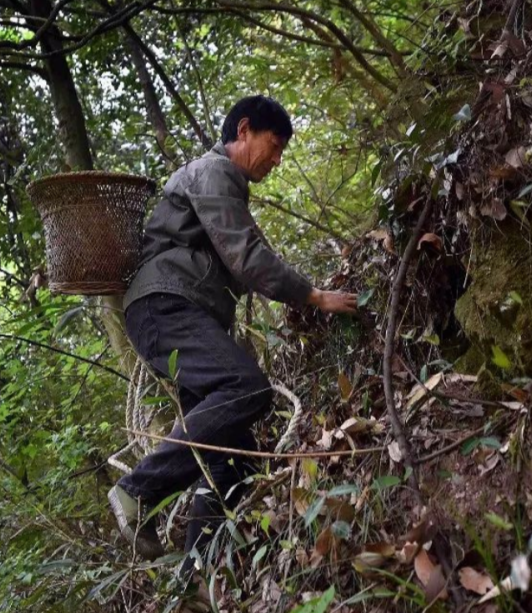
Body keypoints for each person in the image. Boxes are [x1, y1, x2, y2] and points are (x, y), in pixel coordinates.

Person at [107, 95, 357, 567]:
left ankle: (196, 572)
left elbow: (239, 258)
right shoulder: (214, 172)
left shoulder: (223, 184)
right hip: (165, 306)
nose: (277, 160)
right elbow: (247, 257)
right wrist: (315, 296)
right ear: (244, 130)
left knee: (234, 450)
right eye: (274, 144)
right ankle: (136, 489)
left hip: (175, 313)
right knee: (245, 389)